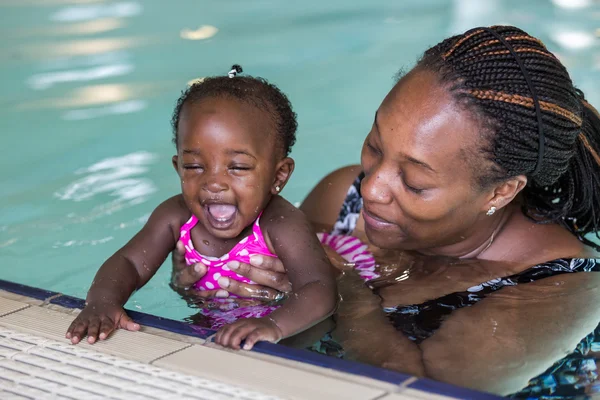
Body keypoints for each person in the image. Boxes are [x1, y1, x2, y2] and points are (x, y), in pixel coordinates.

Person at [171, 26, 600, 397]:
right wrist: (216, 281)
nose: (371, 188)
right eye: (375, 146)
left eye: (414, 183)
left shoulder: (560, 287)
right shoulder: (345, 196)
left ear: (501, 192)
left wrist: (342, 285)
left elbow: (417, 393)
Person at [66, 66, 337, 351]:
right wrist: (103, 302)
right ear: (177, 167)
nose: (213, 183)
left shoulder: (281, 223)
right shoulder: (176, 216)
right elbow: (130, 263)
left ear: (278, 176)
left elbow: (318, 288)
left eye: (238, 167)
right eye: (194, 166)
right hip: (208, 328)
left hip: (284, 338)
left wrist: (274, 326)